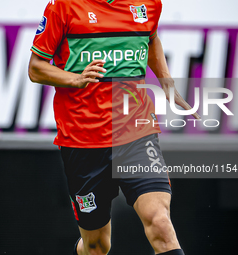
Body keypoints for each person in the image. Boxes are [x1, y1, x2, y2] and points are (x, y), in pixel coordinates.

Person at [28, 0, 199, 254]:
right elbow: (36, 68)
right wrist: (76, 78)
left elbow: (150, 38)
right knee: (97, 246)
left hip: (136, 134)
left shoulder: (148, 4)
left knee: (160, 222)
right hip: (83, 141)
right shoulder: (63, 6)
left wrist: (166, 81)